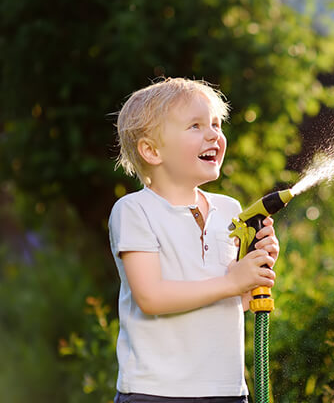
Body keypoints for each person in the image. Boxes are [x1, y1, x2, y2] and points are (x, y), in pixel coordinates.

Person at [109, 77, 279, 403]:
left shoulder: (230, 210)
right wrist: (233, 282)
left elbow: (238, 303)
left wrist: (257, 270)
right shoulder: (134, 210)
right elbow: (152, 298)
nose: (214, 134)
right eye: (196, 126)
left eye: (216, 124)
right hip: (156, 392)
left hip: (226, 391)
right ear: (151, 150)